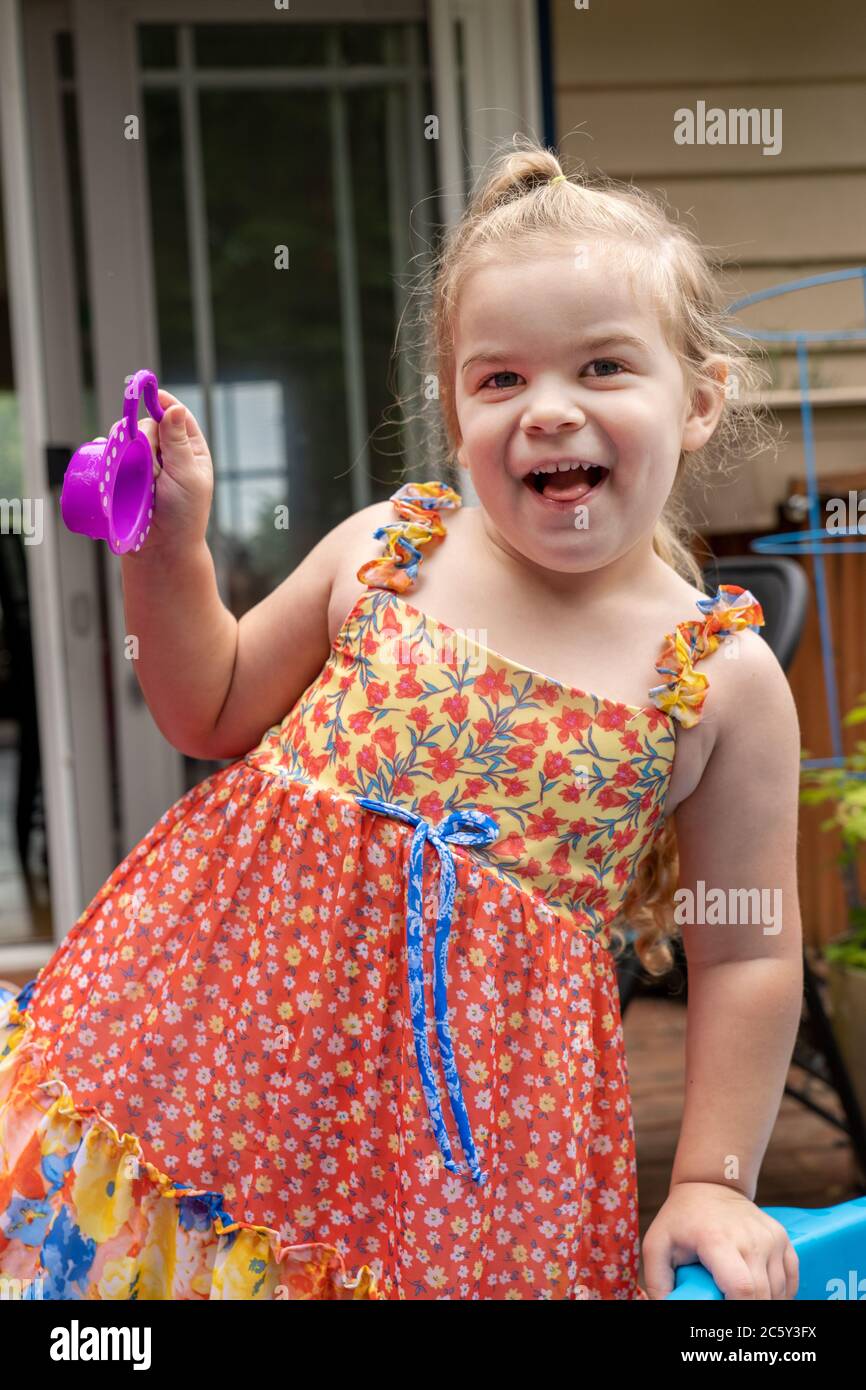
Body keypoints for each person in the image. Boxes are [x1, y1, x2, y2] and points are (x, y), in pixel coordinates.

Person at [0, 139, 803, 1301]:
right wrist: (166, 549)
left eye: (601, 368)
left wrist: (713, 1180)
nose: (547, 411)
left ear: (698, 400)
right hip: (216, 1062)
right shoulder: (391, 547)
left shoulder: (718, 678)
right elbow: (209, 707)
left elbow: (749, 954)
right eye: (499, 380)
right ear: (452, 406)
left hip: (456, 1167)